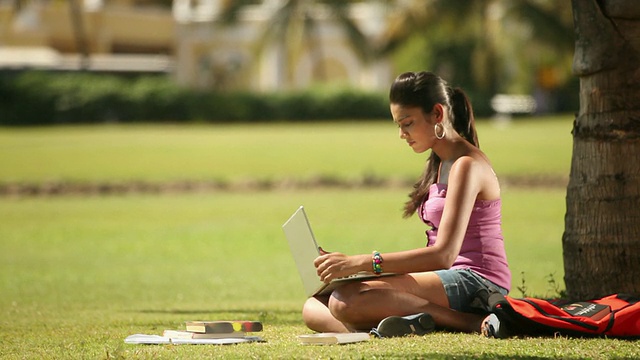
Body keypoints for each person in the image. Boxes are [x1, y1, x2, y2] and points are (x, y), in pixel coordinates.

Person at [301, 71, 511, 336]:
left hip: (476, 281)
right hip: (443, 278)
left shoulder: (467, 166)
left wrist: (361, 263)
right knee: (314, 306)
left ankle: (463, 323)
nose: (402, 134)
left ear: (437, 114)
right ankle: (387, 330)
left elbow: (443, 255)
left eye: (407, 123)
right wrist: (346, 268)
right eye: (398, 125)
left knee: (346, 301)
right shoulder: (439, 164)